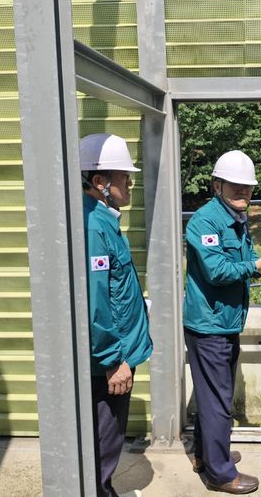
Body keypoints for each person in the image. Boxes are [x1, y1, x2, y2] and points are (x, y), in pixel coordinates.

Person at [183, 150, 261, 494]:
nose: (244, 192)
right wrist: (255, 267)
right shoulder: (205, 222)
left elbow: (237, 267)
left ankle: (206, 455)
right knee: (218, 402)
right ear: (217, 185)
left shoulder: (235, 219)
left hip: (224, 323)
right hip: (209, 326)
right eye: (236, 185)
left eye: (248, 187)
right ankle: (221, 473)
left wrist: (259, 264)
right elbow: (216, 271)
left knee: (212, 397)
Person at [80, 133, 152, 497]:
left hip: (118, 352)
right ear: (100, 183)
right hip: (111, 360)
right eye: (125, 178)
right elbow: (96, 303)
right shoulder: (93, 226)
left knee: (104, 444)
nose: (130, 184)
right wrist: (114, 360)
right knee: (103, 447)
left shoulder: (102, 218)